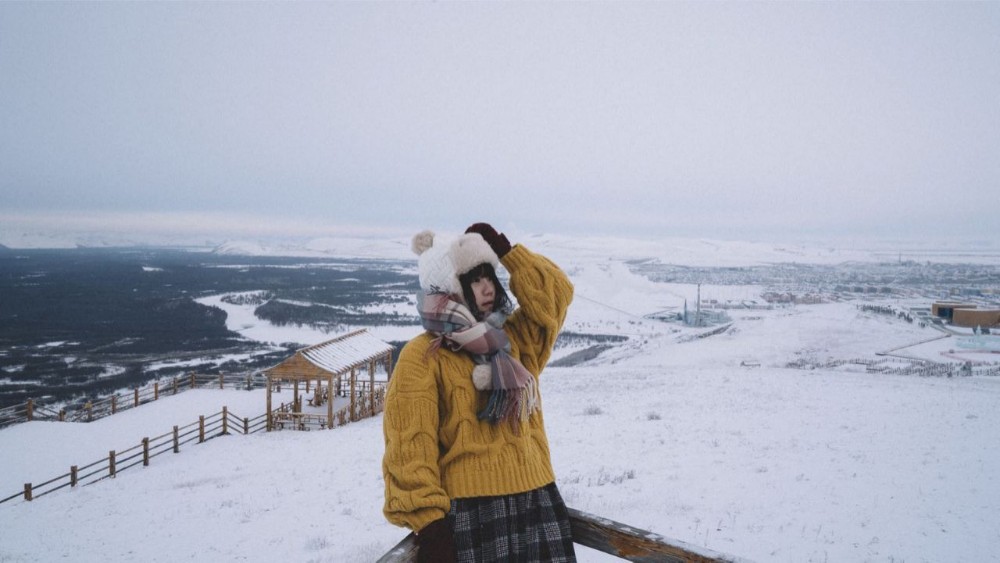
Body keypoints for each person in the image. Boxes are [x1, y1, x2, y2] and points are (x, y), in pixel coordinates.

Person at [382, 222, 576, 562]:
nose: (487, 288)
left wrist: (507, 251)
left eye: (490, 276)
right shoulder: (423, 356)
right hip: (473, 516)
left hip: (539, 501)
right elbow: (409, 450)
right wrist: (431, 529)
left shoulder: (514, 343)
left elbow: (556, 295)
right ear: (449, 288)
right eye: (474, 279)